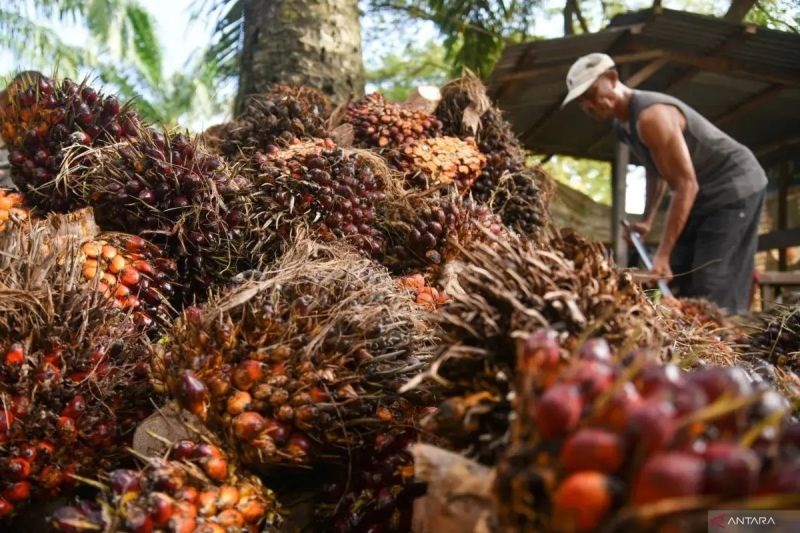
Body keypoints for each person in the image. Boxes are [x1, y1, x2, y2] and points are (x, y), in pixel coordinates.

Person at [562, 53, 767, 315]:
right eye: (582, 101)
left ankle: (725, 349)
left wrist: (662, 253)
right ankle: (693, 344)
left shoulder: (652, 116)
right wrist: (647, 220)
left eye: (591, 93)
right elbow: (655, 170)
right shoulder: (623, 126)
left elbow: (686, 184)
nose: (589, 105)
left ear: (612, 79)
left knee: (711, 281)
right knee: (680, 273)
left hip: (735, 185)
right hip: (701, 194)